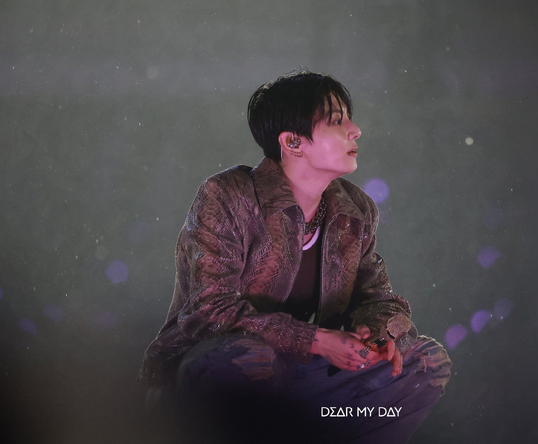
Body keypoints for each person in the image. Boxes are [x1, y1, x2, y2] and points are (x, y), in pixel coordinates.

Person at [138, 69, 451, 443]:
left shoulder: (356, 209)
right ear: (292, 142)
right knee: (249, 358)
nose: (355, 130)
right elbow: (209, 311)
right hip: (214, 372)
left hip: (302, 376)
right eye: (337, 121)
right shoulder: (228, 196)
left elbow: (378, 299)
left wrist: (376, 335)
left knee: (425, 362)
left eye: (349, 119)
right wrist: (316, 340)